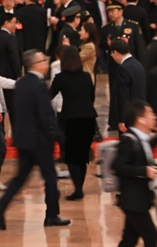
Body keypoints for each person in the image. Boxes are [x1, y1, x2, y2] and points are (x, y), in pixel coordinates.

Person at [0, 51, 68, 231]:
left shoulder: (22, 83)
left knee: (19, 178)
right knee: (51, 178)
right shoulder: (38, 84)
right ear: (36, 64)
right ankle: (52, 215)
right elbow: (44, 113)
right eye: (43, 60)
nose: (46, 63)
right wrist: (56, 134)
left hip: (23, 139)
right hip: (39, 141)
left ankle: (0, 209)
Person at [108, 100, 157, 247]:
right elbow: (119, 166)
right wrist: (144, 170)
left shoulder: (143, 139)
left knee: (129, 240)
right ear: (140, 119)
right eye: (150, 114)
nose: (154, 116)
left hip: (139, 198)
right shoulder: (129, 139)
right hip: (132, 200)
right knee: (150, 235)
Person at [49, 45, 97, 201]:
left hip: (70, 118)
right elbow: (92, 96)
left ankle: (78, 190)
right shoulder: (86, 76)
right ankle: (79, 188)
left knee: (71, 156)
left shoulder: (61, 78)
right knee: (82, 155)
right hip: (88, 118)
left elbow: (49, 95)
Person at [109, 39, 147, 134]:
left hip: (129, 117)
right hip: (140, 113)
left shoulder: (123, 69)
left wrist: (122, 119)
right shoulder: (138, 65)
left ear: (115, 52)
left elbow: (123, 96)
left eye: (112, 54)